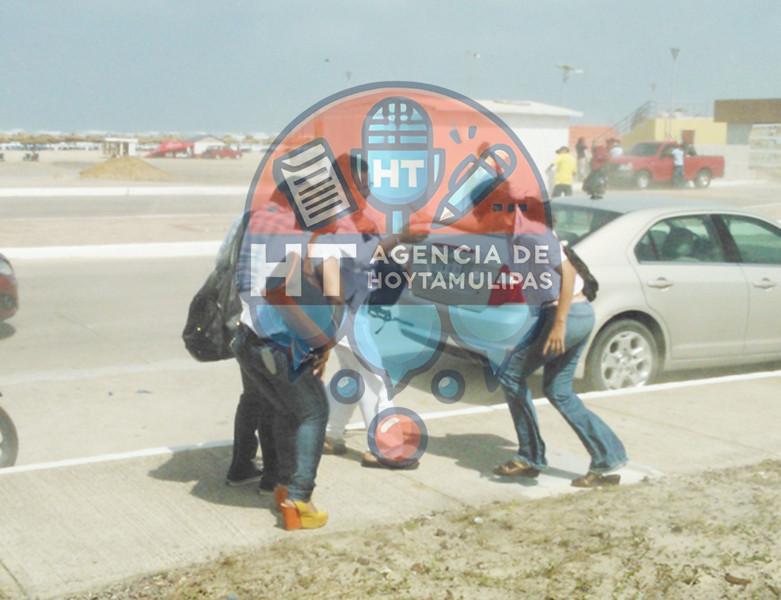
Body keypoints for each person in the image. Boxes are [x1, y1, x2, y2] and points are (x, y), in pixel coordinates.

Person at [232, 194, 338, 530]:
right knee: (314, 412)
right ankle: (299, 499)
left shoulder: (268, 229)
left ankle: (281, 487)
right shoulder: (293, 237)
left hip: (249, 338)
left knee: (284, 410)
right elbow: (280, 293)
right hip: (279, 344)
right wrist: (318, 339)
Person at [494, 229, 628, 487]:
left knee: (510, 376)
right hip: (574, 314)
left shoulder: (529, 232)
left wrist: (559, 323)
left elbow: (567, 273)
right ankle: (608, 458)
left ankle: (530, 457)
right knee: (558, 390)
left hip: (566, 316)